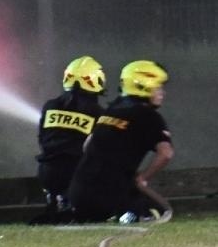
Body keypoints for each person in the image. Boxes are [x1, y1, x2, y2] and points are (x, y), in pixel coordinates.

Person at [66, 59, 175, 223]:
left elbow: (87, 145)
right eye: (158, 87)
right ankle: (122, 216)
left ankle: (106, 215)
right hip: (108, 198)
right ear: (143, 85)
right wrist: (143, 178)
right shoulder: (149, 116)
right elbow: (166, 153)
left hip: (77, 194)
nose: (162, 93)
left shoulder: (112, 111)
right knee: (159, 212)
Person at [33, 55, 106, 222]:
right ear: (96, 79)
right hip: (77, 174)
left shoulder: (50, 106)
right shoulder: (98, 113)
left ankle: (58, 202)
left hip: (46, 172)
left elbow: (42, 139)